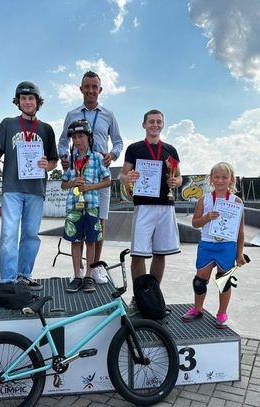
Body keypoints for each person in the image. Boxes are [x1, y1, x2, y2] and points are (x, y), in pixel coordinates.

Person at [0, 81, 58, 289]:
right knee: (9, 234)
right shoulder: (8, 124)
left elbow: (53, 161)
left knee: (31, 235)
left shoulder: (46, 129)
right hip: (13, 188)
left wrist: (47, 165)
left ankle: (24, 274)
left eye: (31, 98)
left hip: (36, 189)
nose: (27, 102)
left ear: (37, 102)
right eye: (23, 98)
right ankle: (7, 280)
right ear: (17, 101)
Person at [58, 71, 123, 284]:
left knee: (99, 222)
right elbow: (62, 142)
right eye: (87, 87)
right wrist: (64, 157)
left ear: (100, 90)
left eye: (94, 87)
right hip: (78, 173)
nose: (91, 91)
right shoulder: (72, 114)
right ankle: (78, 270)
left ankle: (94, 269)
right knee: (77, 221)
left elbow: (118, 142)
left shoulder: (108, 115)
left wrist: (112, 155)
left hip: (98, 173)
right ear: (81, 89)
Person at [119, 109, 182, 314]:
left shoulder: (170, 150)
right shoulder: (135, 148)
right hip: (144, 205)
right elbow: (122, 175)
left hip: (166, 205)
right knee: (138, 254)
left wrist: (176, 182)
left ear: (162, 125)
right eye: (151, 121)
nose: (155, 125)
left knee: (160, 253)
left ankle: (153, 297)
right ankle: (139, 299)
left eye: (158, 122)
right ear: (144, 124)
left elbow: (179, 177)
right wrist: (128, 178)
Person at [181, 162, 246, 328]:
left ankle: (222, 313)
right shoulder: (204, 200)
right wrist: (206, 218)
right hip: (207, 245)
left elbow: (240, 231)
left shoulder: (236, 201)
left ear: (231, 179)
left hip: (227, 246)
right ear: (211, 179)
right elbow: (195, 223)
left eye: (224, 177)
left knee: (224, 281)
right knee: (199, 281)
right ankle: (198, 309)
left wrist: (239, 254)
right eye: (216, 177)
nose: (220, 180)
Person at [61, 120, 111, 293]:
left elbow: (108, 181)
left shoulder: (97, 157)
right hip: (74, 207)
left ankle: (89, 276)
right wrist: (73, 182)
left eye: (81, 136)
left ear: (89, 137)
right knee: (75, 241)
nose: (77, 140)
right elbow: (63, 185)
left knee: (91, 241)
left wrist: (90, 187)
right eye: (74, 137)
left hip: (91, 205)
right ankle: (77, 275)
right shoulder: (71, 160)